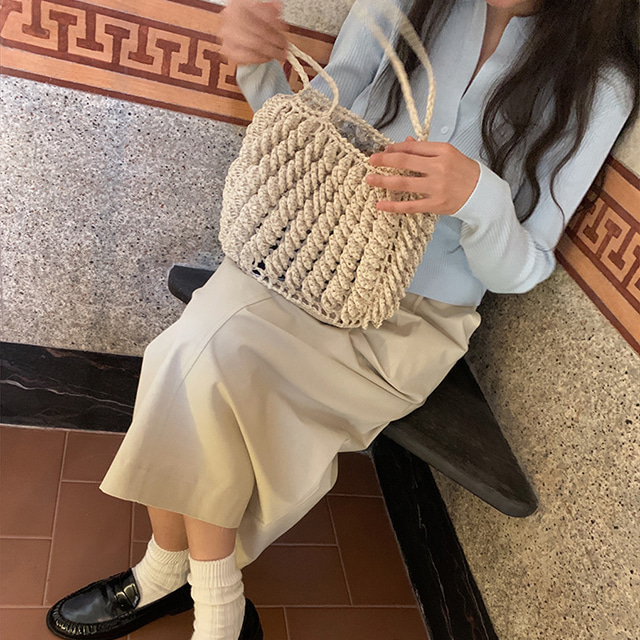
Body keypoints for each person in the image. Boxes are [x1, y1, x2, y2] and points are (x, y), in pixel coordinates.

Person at [45, 0, 638, 639]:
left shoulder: (599, 83)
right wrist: (256, 66)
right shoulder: (405, 3)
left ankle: (168, 575)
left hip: (411, 321)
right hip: (311, 255)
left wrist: (478, 197)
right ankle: (215, 607)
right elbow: (315, 122)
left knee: (199, 365)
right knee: (190, 356)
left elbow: (523, 269)